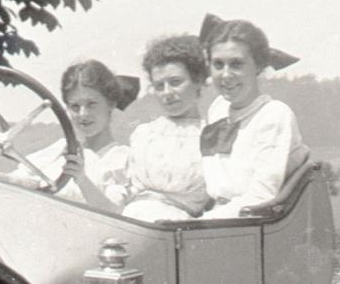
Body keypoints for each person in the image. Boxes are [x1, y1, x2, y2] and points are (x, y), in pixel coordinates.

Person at [0, 61, 138, 211]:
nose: (83, 114)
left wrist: (81, 179)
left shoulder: (123, 158)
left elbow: (115, 212)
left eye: (91, 104)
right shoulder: (61, 149)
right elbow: (24, 182)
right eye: (75, 106)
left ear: (111, 104)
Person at [197, 14, 304, 218]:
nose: (226, 75)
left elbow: (261, 196)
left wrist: (201, 222)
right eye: (218, 64)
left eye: (236, 64)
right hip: (215, 218)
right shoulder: (218, 109)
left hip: (249, 224)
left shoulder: (274, 115)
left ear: (259, 66)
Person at [120, 35, 213, 222]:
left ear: (197, 80)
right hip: (132, 221)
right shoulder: (144, 134)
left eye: (176, 82)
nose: (167, 93)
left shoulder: (212, 135)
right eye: (159, 86)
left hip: (179, 229)